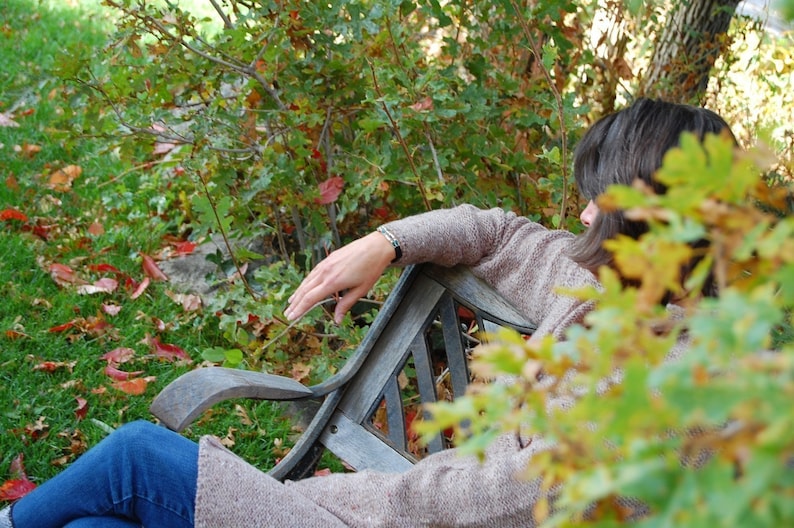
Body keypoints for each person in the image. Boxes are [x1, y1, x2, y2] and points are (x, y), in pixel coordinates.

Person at [0, 98, 736, 528]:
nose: (576, 213)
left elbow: (491, 503)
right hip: (405, 510)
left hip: (402, 518)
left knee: (136, 458)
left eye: (595, 203)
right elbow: (499, 230)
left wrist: (334, 499)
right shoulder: (619, 292)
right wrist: (384, 242)